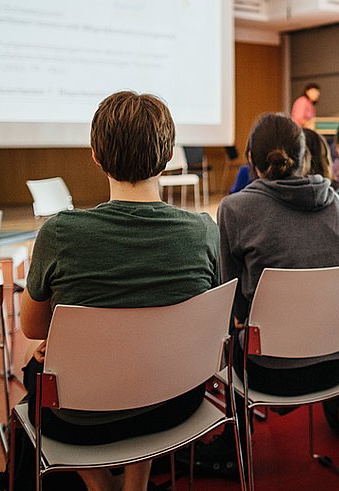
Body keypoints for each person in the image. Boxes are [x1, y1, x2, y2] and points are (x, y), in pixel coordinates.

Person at [19, 91, 219, 491]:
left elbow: (33, 327)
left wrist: (60, 341)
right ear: (166, 157)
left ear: (96, 155)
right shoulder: (203, 231)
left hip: (81, 421)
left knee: (34, 364)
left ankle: (99, 484)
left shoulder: (59, 233)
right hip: (176, 404)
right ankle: (136, 481)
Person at [202, 113, 339, 467]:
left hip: (271, 372)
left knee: (230, 338)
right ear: (304, 157)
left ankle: (234, 445)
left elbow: (232, 303)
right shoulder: (334, 200)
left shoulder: (235, 208)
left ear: (250, 159)